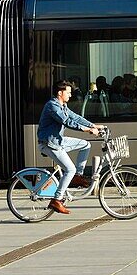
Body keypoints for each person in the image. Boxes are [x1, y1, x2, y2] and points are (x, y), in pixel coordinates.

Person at [37, 80, 106, 214]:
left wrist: (93, 125)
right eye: (68, 93)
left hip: (58, 140)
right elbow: (67, 121)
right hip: (50, 144)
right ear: (60, 93)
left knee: (85, 145)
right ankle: (56, 200)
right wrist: (87, 130)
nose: (70, 95)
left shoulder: (62, 105)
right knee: (69, 169)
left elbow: (76, 117)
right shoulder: (53, 106)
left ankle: (77, 176)